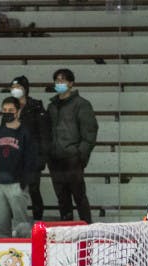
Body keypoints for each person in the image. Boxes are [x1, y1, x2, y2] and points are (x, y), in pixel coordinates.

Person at [46, 68, 97, 223]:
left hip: (72, 158)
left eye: (62, 80)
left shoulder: (81, 105)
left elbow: (90, 132)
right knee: (62, 199)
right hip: (55, 159)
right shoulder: (52, 106)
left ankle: (88, 229)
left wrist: (79, 155)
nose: (59, 84)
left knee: (79, 196)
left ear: (71, 83)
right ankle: (67, 231)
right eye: (57, 81)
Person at [0, 96, 36, 237]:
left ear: (18, 112)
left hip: (16, 183)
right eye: (4, 110)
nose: (7, 113)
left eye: (11, 110)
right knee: (0, 225)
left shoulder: (25, 132)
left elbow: (31, 158)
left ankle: (23, 254)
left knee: (21, 226)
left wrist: (24, 181)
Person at [9, 75, 49, 221]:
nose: (15, 90)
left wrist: (42, 157)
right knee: (14, 190)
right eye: (13, 88)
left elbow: (44, 133)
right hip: (14, 156)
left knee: (33, 189)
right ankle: (17, 221)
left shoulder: (36, 107)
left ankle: (38, 220)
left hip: (32, 155)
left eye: (18, 87)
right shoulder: (9, 107)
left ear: (26, 89)